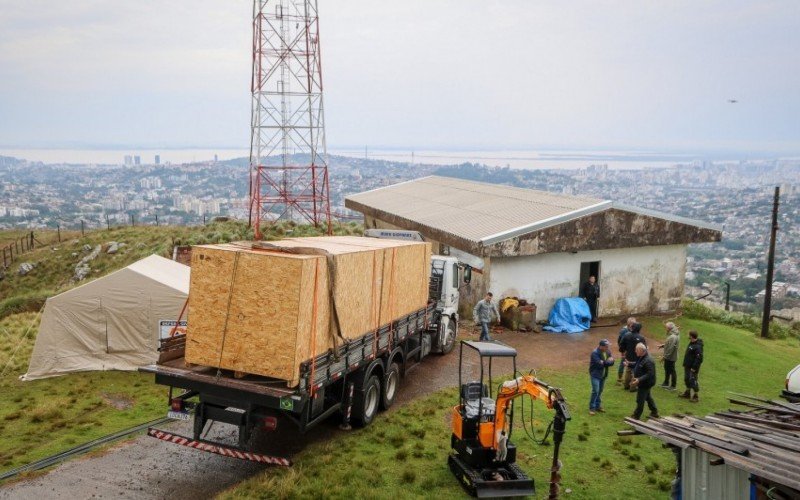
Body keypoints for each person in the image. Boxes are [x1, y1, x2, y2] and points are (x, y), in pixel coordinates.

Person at [630, 343, 660, 420]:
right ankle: (654, 412)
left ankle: (636, 416)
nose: (635, 351)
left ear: (641, 350)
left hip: (646, 383)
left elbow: (650, 374)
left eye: (636, 350)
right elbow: (638, 364)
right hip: (644, 382)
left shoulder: (648, 360)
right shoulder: (642, 357)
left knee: (640, 399)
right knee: (648, 397)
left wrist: (639, 379)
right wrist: (629, 364)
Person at [589, 339, 615, 415]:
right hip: (595, 375)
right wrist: (608, 362)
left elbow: (612, 362)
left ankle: (598, 406)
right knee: (595, 391)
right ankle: (592, 408)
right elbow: (600, 364)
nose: (608, 347)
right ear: (601, 346)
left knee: (600, 391)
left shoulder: (608, 351)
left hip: (603, 375)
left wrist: (607, 362)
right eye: (606, 346)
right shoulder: (595, 353)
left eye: (608, 346)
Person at [620, 322, 647, 390]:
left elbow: (622, 345)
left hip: (628, 356)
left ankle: (626, 386)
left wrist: (623, 352)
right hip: (638, 357)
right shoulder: (641, 337)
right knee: (636, 372)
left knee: (628, 370)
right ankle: (633, 387)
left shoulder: (626, 335)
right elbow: (644, 348)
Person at [679, 330, 704, 402]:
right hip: (687, 366)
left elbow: (699, 359)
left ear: (691, 336)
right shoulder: (692, 342)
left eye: (688, 334)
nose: (687, 335)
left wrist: (694, 368)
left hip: (693, 368)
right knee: (686, 379)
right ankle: (687, 393)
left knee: (693, 380)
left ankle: (696, 396)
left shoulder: (698, 346)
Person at [658, 322, 680, 390]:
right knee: (667, 369)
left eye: (666, 328)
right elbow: (670, 344)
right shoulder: (673, 334)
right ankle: (666, 383)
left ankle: (673, 386)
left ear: (669, 328)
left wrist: (664, 357)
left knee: (672, 370)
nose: (665, 329)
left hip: (671, 357)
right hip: (670, 356)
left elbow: (670, 348)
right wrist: (663, 345)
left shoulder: (673, 336)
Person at [616, 317, 636, 384]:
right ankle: (619, 379)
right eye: (633, 323)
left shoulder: (633, 329)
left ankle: (631, 379)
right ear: (629, 323)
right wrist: (622, 352)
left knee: (632, 364)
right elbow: (620, 342)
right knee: (622, 364)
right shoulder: (624, 331)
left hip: (632, 351)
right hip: (625, 351)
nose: (634, 324)